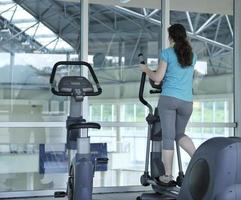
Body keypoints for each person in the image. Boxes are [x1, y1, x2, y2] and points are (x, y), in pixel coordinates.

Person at [139, 23, 197, 186]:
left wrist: (145, 69)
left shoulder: (167, 53)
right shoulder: (193, 55)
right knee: (180, 134)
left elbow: (157, 78)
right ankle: (199, 157)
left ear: (171, 37)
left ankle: (168, 175)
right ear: (184, 36)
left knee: (168, 137)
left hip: (169, 99)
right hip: (187, 101)